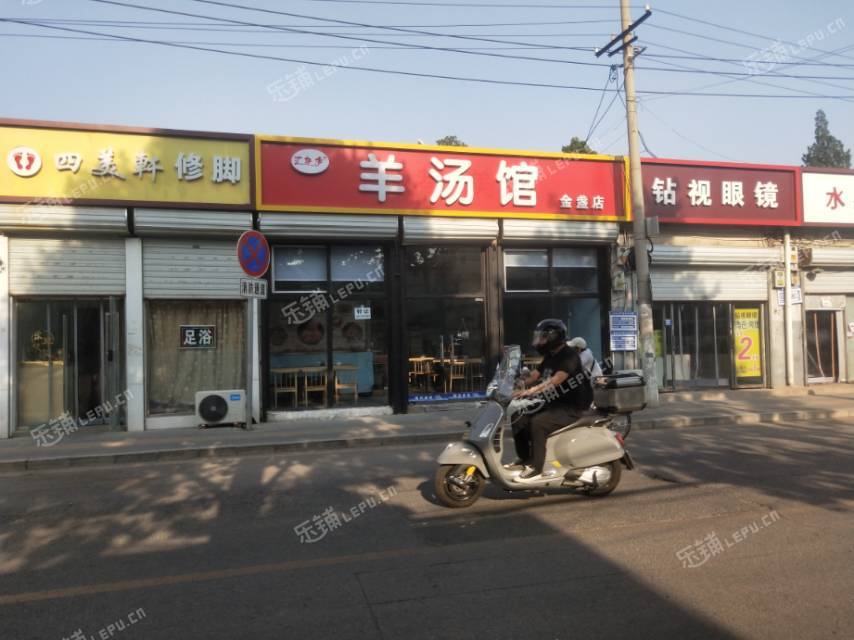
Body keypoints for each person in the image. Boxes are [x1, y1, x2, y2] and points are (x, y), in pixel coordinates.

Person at [510, 319, 593, 482]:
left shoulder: (570, 356)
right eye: (539, 337)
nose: (540, 341)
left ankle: (537, 467)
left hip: (572, 407)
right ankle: (525, 458)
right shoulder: (550, 355)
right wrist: (517, 384)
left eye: (543, 337)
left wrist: (530, 391)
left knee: (538, 423)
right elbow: (536, 374)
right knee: (518, 416)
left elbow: (557, 380)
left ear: (554, 337)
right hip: (554, 403)